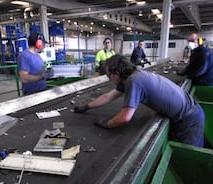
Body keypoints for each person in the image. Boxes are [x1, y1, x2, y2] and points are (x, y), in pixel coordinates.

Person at [73, 54, 205, 147]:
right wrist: (86, 107)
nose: (109, 79)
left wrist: (107, 124)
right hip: (191, 112)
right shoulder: (135, 75)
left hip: (189, 120)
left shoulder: (133, 81)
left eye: (109, 76)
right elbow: (109, 96)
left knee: (183, 160)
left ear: (117, 74)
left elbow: (125, 117)